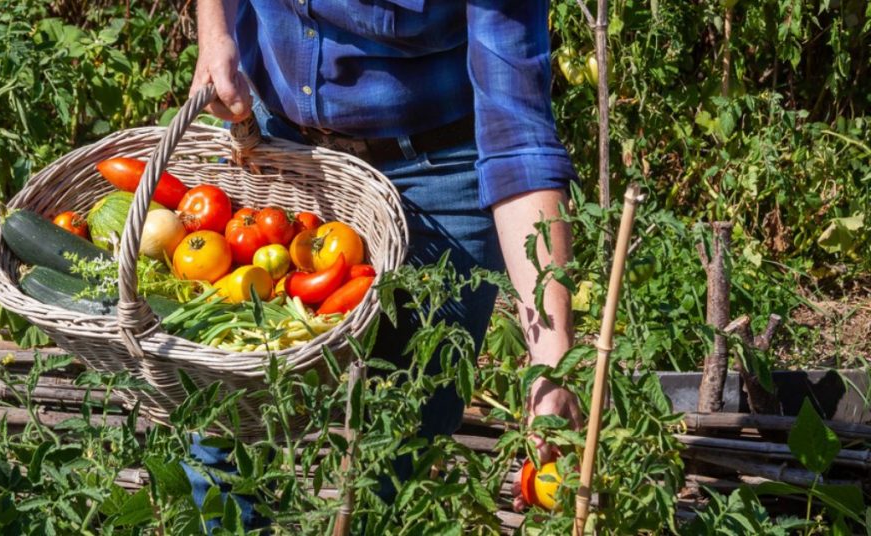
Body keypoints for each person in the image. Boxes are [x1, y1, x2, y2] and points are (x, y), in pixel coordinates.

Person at [182, 0, 584, 527]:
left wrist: (550, 369)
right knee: (221, 433)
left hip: (435, 176)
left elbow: (519, 138)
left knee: (397, 453)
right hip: (280, 151)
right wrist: (217, 35)